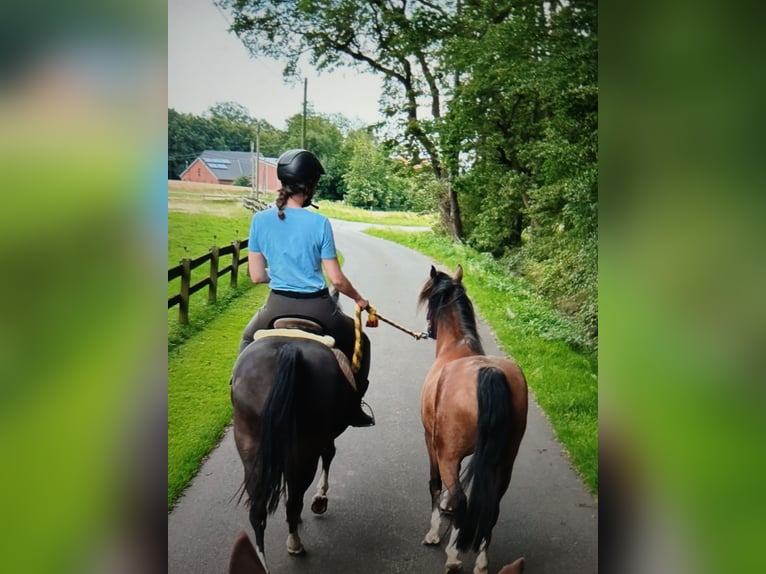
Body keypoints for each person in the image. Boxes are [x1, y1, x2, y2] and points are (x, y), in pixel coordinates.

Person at [238, 148, 374, 427]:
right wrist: (360, 300)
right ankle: (354, 406)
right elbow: (336, 279)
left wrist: (279, 273)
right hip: (319, 308)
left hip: (276, 306)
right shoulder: (319, 222)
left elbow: (255, 276)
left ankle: (238, 393)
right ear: (310, 185)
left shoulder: (259, 220)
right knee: (362, 342)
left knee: (247, 340)